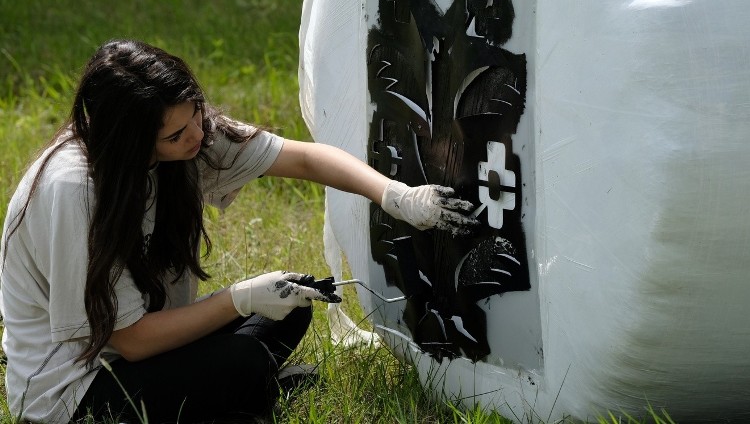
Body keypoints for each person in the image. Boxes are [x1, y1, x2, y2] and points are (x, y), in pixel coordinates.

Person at [0, 39, 477, 424]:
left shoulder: (188, 134)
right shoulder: (75, 191)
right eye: (175, 135)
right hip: (76, 387)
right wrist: (239, 299)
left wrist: (395, 195)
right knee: (244, 363)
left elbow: (304, 157)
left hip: (143, 348)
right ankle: (244, 392)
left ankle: (240, 392)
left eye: (197, 115)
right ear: (130, 141)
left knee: (293, 302)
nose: (196, 137)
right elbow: (131, 340)